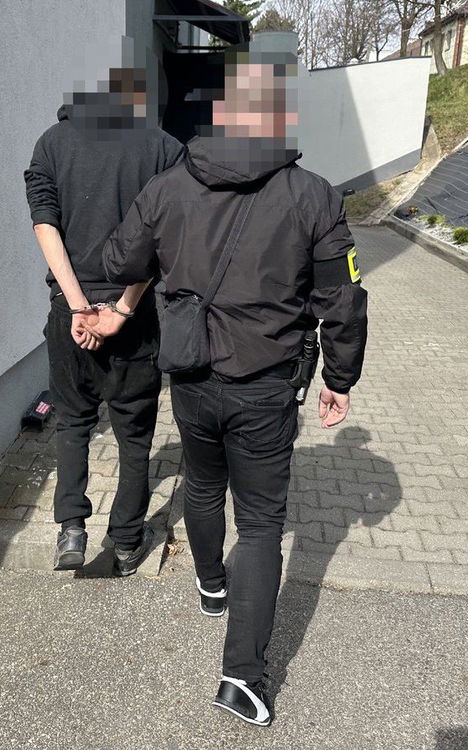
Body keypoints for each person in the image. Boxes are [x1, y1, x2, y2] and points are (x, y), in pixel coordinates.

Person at [99, 49, 368, 726]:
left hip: (191, 376)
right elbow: (343, 300)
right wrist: (339, 378)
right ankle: (242, 679)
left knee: (200, 482)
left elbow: (118, 260)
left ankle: (211, 586)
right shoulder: (314, 194)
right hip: (266, 385)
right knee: (262, 524)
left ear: (220, 113)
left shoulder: (167, 187)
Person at [24, 64, 184, 576]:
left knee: (73, 421)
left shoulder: (51, 143)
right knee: (134, 436)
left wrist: (77, 305)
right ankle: (127, 543)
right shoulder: (162, 148)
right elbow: (166, 238)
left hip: (68, 313)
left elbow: (44, 225)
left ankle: (71, 529)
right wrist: (120, 309)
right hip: (133, 316)